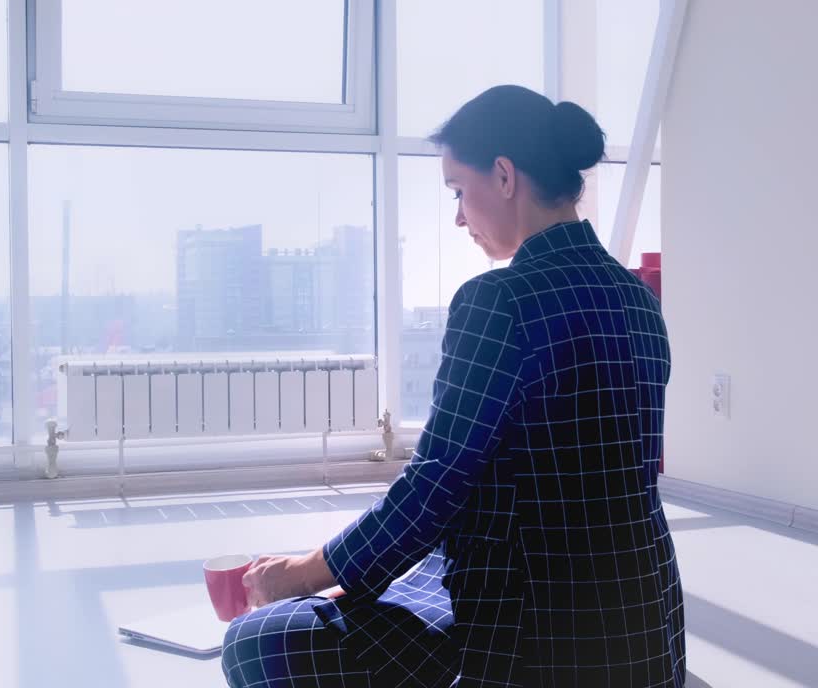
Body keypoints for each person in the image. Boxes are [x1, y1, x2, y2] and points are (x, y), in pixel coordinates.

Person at [221, 85, 685, 687]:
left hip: (533, 641)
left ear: (504, 175)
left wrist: (307, 571)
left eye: (460, 192)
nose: (460, 217)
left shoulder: (498, 299)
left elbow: (433, 488)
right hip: (647, 636)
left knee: (253, 643)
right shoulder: (639, 300)